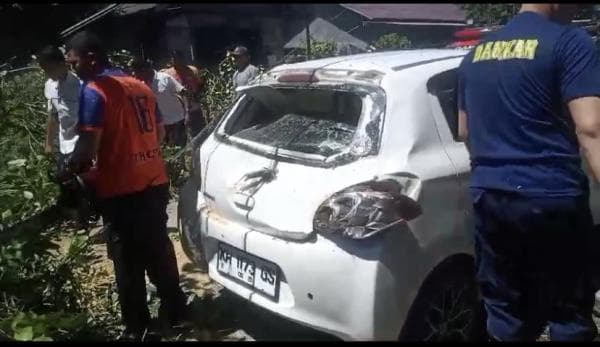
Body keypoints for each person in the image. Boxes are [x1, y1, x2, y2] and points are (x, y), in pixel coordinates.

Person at [458, 4, 600, 342]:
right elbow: (591, 130)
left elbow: (465, 132)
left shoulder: (475, 53)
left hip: (491, 197)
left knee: (506, 309)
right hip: (551, 195)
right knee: (567, 309)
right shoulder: (571, 42)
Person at [64, 31, 188, 341]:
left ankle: (138, 328)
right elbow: (159, 135)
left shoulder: (95, 90)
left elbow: (88, 150)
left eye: (74, 61)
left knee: (128, 262)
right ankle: (176, 312)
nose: (72, 67)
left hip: (121, 189)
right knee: (159, 248)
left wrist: (69, 169)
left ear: (91, 58)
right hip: (154, 180)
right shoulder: (140, 86)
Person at [38, 45, 82, 210]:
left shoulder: (80, 83)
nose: (48, 73)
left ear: (62, 63)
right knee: (63, 180)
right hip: (66, 142)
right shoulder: (49, 86)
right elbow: (53, 115)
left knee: (87, 180)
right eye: (45, 70)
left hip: (83, 140)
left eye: (50, 69)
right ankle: (80, 218)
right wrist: (48, 143)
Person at [132, 58, 187, 147]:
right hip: (160, 124)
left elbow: (182, 92)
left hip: (177, 119)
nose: (135, 75)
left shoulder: (165, 78)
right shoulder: (140, 84)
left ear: (145, 70)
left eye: (137, 72)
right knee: (166, 150)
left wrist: (187, 111)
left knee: (180, 147)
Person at [161, 50, 205, 139]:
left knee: (199, 134)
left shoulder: (192, 70)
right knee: (180, 137)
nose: (176, 60)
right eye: (174, 58)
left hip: (194, 108)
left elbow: (201, 85)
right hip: (177, 112)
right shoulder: (167, 74)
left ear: (183, 59)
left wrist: (197, 96)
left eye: (178, 58)